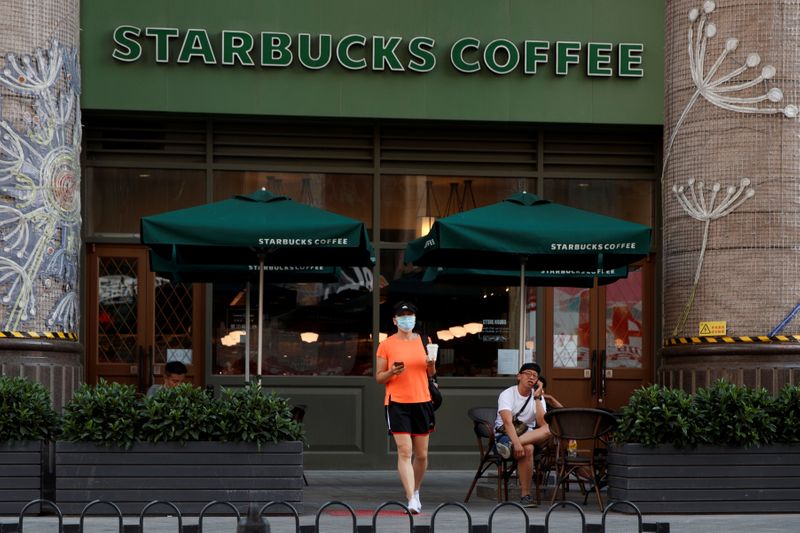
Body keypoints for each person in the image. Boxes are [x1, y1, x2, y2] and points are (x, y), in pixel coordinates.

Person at [375, 301, 436, 514]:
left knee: (421, 454)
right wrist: (392, 372)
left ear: (415, 319)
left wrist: (431, 365)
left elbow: (431, 374)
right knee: (404, 451)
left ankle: (416, 490)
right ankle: (410, 498)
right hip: (397, 402)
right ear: (394, 320)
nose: (406, 319)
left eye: (410, 315)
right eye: (402, 315)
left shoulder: (425, 340)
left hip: (422, 400)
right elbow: (379, 377)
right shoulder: (386, 344)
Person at [494, 362, 551, 508]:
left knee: (549, 429)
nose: (531, 377)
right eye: (528, 373)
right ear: (519, 376)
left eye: (535, 375)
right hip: (504, 436)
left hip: (523, 437)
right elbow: (507, 422)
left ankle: (511, 446)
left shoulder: (537, 396)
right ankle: (525, 496)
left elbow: (542, 422)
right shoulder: (507, 394)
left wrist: (538, 398)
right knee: (529, 449)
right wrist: (518, 443)